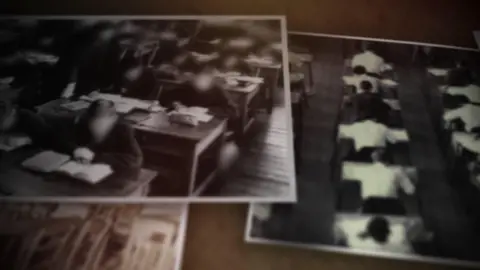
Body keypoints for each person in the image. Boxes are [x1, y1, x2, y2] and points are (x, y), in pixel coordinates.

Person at [45, 100, 143, 177]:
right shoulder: (82, 124)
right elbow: (58, 140)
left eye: (105, 120)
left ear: (114, 118)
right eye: (95, 120)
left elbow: (135, 159)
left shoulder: (123, 129)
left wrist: (95, 156)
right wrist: (74, 150)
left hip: (112, 177)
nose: (99, 124)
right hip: (78, 174)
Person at [338, 118, 408, 162]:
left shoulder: (356, 126)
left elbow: (341, 132)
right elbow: (393, 140)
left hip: (362, 153)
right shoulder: (382, 126)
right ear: (375, 120)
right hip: (380, 153)